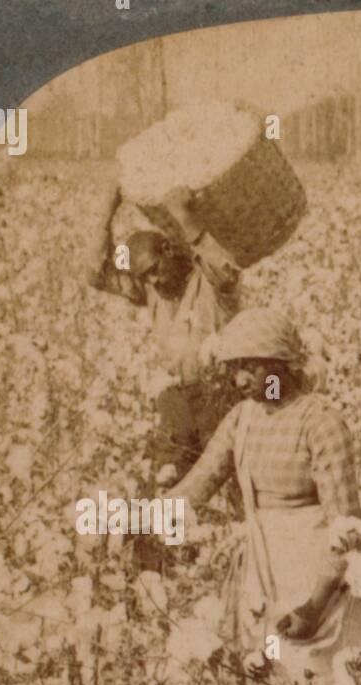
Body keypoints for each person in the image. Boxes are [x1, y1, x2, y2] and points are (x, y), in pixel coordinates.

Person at [158, 307, 361, 685]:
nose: (241, 380)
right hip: (263, 572)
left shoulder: (319, 420)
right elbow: (204, 476)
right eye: (235, 369)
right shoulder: (245, 417)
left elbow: (347, 525)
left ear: (280, 365)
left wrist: (318, 600)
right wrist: (151, 514)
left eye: (251, 369)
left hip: (315, 573)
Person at [86, 184, 241, 488]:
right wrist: (107, 212)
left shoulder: (209, 283)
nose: (154, 280)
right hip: (178, 403)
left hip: (221, 399)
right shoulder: (152, 290)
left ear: (168, 250)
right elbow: (96, 274)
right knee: (168, 482)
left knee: (231, 478)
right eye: (144, 277)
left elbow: (226, 269)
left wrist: (184, 216)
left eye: (155, 270)